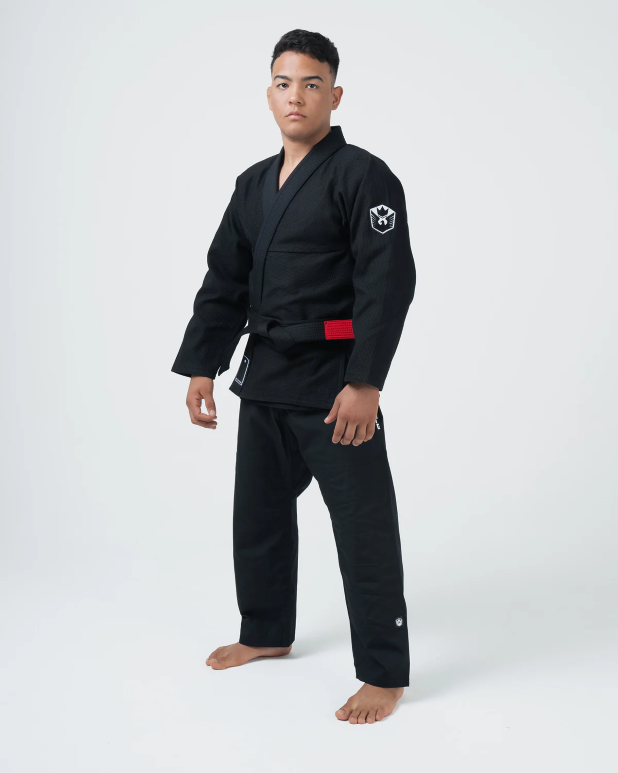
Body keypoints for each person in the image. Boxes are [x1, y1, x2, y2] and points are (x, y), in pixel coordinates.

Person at [171, 29, 416, 724]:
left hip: (335, 384)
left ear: (335, 96)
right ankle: (266, 629)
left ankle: (384, 672)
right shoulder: (252, 184)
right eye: (284, 83)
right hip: (266, 377)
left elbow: (387, 282)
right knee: (258, 517)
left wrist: (365, 381)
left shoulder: (364, 176)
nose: (296, 97)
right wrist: (202, 362)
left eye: (311, 84)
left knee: (363, 528)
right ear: (269, 93)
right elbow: (225, 278)